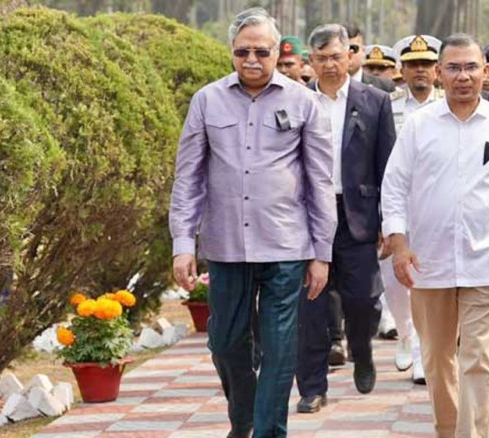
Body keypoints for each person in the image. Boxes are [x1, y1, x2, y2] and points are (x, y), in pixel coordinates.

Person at [169, 8, 336, 438]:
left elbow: (319, 181)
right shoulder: (207, 100)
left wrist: (322, 253)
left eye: (261, 51)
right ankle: (242, 420)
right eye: (243, 51)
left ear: (276, 53)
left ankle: (268, 432)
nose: (252, 59)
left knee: (280, 349)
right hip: (225, 246)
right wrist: (182, 243)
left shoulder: (303, 102)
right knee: (224, 343)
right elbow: (188, 177)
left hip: (285, 246)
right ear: (231, 52)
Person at [381, 33, 489, 438]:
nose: (463, 76)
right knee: (437, 360)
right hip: (428, 262)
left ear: (486, 73)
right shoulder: (418, 127)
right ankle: (450, 431)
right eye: (453, 67)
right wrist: (398, 243)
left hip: (484, 261)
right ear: (439, 74)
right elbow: (394, 186)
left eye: (471, 67)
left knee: (477, 358)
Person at [296, 23, 396, 414]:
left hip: (357, 214)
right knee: (312, 305)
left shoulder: (374, 100)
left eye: (336, 56)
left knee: (361, 300)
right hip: (308, 216)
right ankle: (312, 386)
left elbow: (386, 164)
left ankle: (362, 350)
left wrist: (389, 222)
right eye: (320, 59)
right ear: (311, 61)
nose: (329, 65)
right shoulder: (298, 100)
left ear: (350, 55)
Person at [383, 34, 445, 385]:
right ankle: (405, 334)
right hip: (395, 207)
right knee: (394, 285)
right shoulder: (386, 106)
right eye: (412, 64)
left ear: (436, 69)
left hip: (434, 208)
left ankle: (424, 353)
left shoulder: (449, 105)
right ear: (401, 70)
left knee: (426, 282)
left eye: (425, 64)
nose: (419, 70)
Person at [345, 22, 395, 92]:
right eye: (343, 50)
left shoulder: (384, 87)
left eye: (353, 48)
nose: (349, 54)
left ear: (363, 51)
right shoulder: (326, 86)